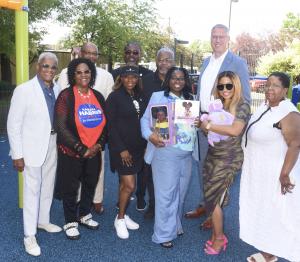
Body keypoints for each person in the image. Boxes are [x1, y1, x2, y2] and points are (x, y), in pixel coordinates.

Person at [185, 24, 251, 226]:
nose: (217, 40)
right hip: (204, 121)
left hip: (223, 125)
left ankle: (216, 213)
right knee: (204, 168)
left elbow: (244, 95)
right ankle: (207, 204)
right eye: (214, 36)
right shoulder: (206, 62)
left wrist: (233, 125)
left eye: (221, 37)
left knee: (219, 173)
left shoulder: (237, 62)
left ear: (228, 39)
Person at [239, 72, 300, 262]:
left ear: (285, 90)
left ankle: (273, 252)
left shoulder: (288, 112)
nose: (270, 89)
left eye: (275, 86)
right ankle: (268, 251)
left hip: (277, 172)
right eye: (268, 84)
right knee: (264, 210)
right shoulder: (267, 107)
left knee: (279, 213)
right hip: (259, 171)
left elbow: (296, 143)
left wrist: (284, 174)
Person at [7, 52, 62, 256]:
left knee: (48, 183)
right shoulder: (24, 90)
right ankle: (29, 236)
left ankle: (43, 220)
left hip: (52, 142)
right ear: (38, 67)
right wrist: (17, 154)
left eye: (53, 67)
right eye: (45, 66)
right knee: (32, 190)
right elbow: (13, 124)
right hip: (30, 148)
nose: (49, 70)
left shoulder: (56, 88)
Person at [141, 67, 196, 248]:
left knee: (180, 194)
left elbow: (195, 124)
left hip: (186, 154)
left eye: (181, 78)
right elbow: (144, 121)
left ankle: (174, 226)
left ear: (186, 80)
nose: (177, 81)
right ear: (168, 80)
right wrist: (150, 135)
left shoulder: (191, 99)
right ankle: (163, 235)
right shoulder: (158, 96)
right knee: (166, 195)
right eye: (174, 78)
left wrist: (199, 122)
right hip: (165, 151)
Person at [196, 71, 250, 254]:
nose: (225, 89)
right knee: (210, 196)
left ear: (236, 86)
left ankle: (219, 238)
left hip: (228, 158)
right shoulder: (217, 106)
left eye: (229, 85)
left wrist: (209, 125)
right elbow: (211, 133)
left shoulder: (242, 105)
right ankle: (216, 233)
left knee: (213, 199)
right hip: (213, 155)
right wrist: (202, 124)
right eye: (221, 86)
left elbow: (235, 130)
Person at [57, 42, 114, 214]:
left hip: (96, 138)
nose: (90, 56)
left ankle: (94, 202)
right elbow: (62, 108)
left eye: (94, 53)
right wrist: (79, 146)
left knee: (95, 173)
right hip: (73, 139)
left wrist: (98, 143)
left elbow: (108, 108)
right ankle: (73, 210)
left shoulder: (106, 76)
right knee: (72, 178)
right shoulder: (65, 75)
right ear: (80, 52)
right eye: (86, 52)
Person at [54, 58, 106, 240]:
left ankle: (84, 214)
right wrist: (81, 148)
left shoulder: (98, 96)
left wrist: (98, 144)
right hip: (72, 151)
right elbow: (60, 127)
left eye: (87, 71)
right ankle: (70, 220)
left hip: (94, 150)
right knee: (71, 186)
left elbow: (106, 124)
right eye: (79, 72)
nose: (83, 75)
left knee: (90, 182)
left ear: (91, 74)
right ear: (72, 75)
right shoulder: (66, 96)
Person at [106, 66, 147, 239]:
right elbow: (110, 126)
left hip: (137, 148)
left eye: (134, 77)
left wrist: (145, 143)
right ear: (121, 78)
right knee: (130, 185)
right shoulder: (114, 97)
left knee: (125, 185)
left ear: (138, 79)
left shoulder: (139, 96)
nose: (131, 80)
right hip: (121, 149)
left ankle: (122, 215)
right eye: (127, 77)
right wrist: (122, 149)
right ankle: (120, 219)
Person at [138, 47, 175, 219]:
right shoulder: (145, 81)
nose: (164, 63)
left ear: (173, 62)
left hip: (173, 137)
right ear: (156, 60)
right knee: (149, 172)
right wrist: (146, 136)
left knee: (170, 174)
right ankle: (152, 204)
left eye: (168, 60)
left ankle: (168, 207)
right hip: (149, 134)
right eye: (161, 59)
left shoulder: (178, 80)